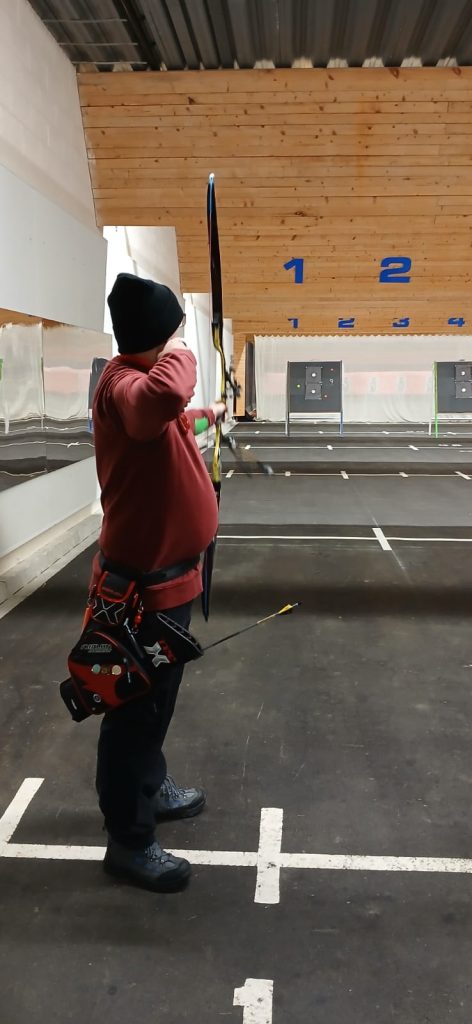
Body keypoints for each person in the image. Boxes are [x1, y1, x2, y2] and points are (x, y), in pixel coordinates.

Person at [89, 272, 225, 893]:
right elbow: (156, 402)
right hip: (141, 593)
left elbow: (168, 417)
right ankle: (129, 840)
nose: (178, 340)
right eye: (172, 331)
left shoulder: (147, 391)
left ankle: (150, 786)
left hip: (171, 584)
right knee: (134, 716)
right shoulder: (123, 385)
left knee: (156, 706)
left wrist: (204, 414)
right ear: (156, 337)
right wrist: (184, 350)